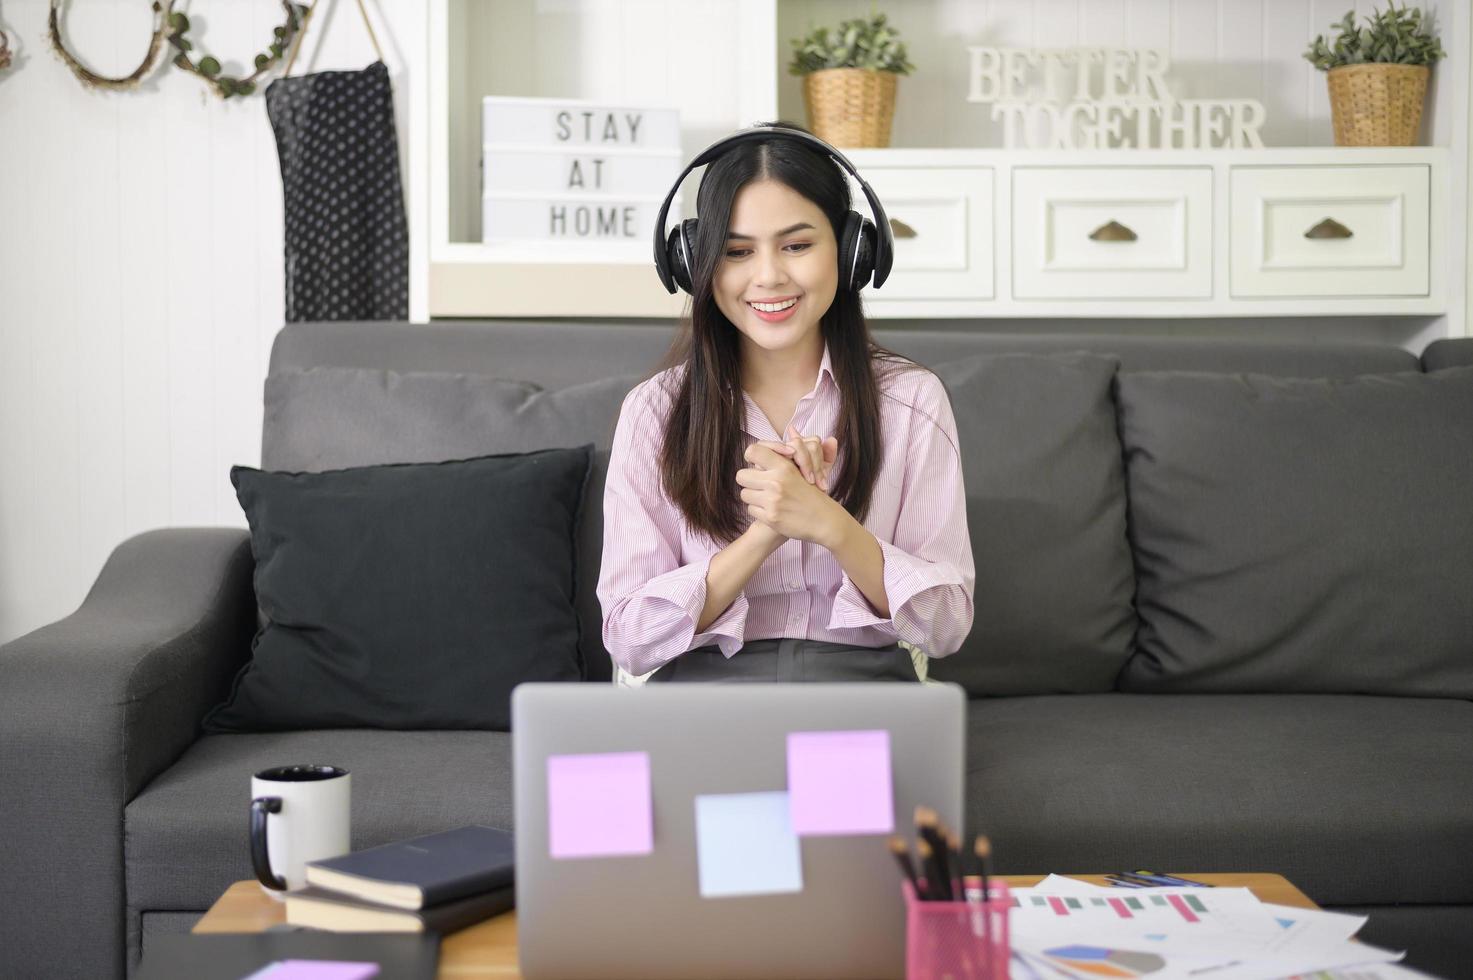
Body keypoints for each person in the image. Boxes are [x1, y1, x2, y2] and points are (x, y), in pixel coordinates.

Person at [597, 121, 974, 683]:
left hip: (860, 695)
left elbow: (944, 628)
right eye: (737, 251)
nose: (769, 276)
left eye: (797, 246)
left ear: (851, 251)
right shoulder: (654, 411)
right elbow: (630, 638)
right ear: (695, 263)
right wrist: (765, 533)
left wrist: (832, 526)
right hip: (704, 703)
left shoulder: (911, 401)